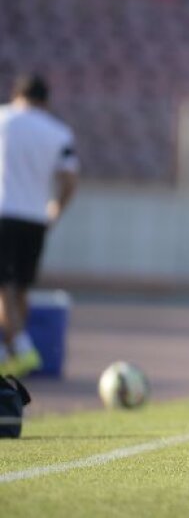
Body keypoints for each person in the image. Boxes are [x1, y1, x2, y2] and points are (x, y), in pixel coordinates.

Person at [0, 75, 78, 377]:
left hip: (4, 211)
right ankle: (9, 354)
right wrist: (55, 209)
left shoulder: (3, 119)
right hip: (35, 218)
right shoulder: (58, 132)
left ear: (17, 94)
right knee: (20, 287)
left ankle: (20, 346)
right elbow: (70, 178)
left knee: (3, 287)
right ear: (45, 101)